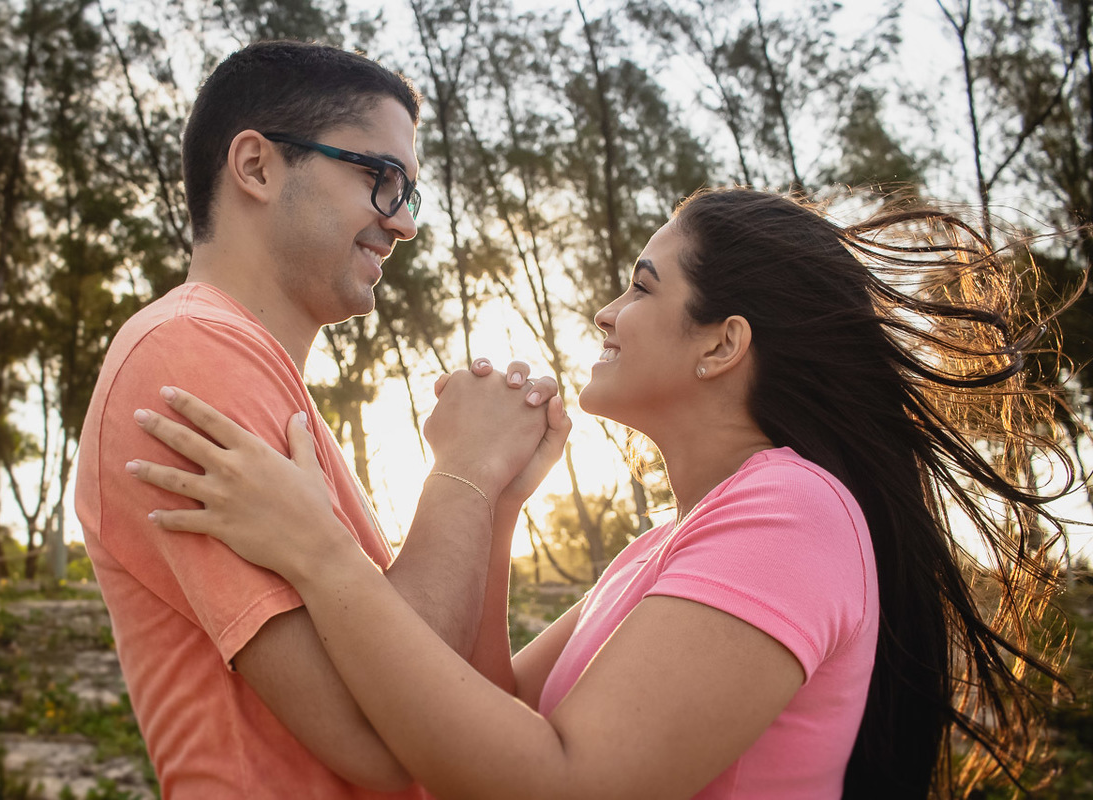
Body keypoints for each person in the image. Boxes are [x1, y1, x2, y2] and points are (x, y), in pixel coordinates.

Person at [127, 188, 1074, 799]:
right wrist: (496, 509)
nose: (605, 313)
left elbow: (560, 787)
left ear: (720, 344)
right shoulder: (670, 545)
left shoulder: (793, 511)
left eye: (639, 288)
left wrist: (320, 551)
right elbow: (489, 717)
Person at [75, 40, 566, 797]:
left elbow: (465, 713)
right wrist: (463, 471)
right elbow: (387, 735)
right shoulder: (186, 353)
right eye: (379, 178)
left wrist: (492, 495)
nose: (402, 224)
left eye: (409, 192)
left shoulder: (257, 376)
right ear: (257, 166)